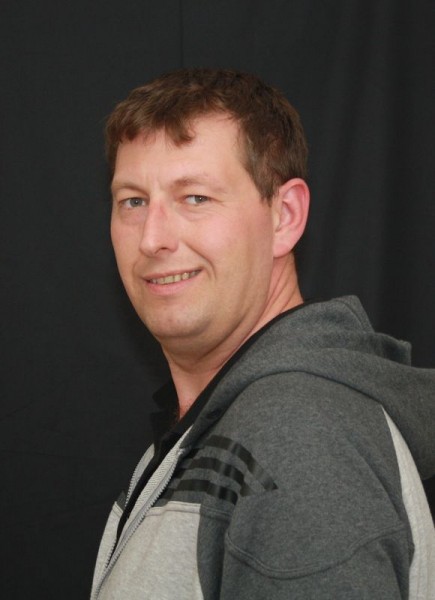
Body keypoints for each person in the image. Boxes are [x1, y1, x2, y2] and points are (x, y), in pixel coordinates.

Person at [91, 68, 435, 599]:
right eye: (133, 201)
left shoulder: (299, 436)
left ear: (285, 216)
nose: (152, 238)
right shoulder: (228, 424)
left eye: (195, 198)